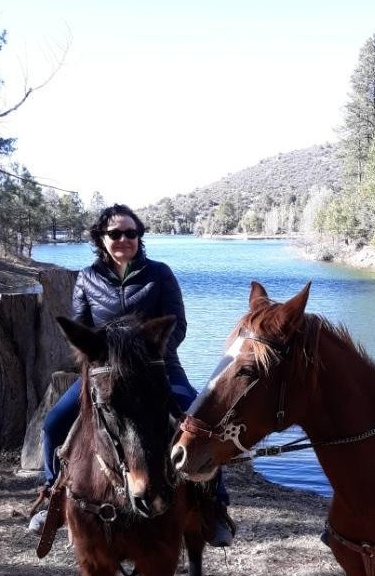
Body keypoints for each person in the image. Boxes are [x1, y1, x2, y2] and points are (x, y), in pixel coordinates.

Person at [29, 203, 234, 547]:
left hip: (159, 368)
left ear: (139, 237)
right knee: (53, 424)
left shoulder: (160, 274)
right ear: (101, 238)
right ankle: (52, 494)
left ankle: (215, 505)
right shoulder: (87, 279)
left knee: (198, 422)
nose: (123, 239)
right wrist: (102, 361)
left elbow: (177, 326)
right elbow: (83, 333)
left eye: (131, 233)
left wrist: (146, 357)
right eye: (115, 233)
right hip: (106, 373)